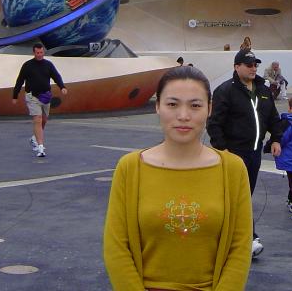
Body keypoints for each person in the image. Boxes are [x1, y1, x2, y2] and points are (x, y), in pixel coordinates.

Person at [103, 66, 252, 291]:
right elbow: (116, 248)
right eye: (172, 104)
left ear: (209, 109)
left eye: (195, 105)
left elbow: (239, 248)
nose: (183, 116)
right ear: (157, 106)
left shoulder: (232, 169)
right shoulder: (130, 168)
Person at [207, 48, 282, 259]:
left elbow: (273, 117)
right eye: (248, 65)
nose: (253, 68)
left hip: (254, 152)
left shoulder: (263, 89)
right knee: (238, 196)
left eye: (255, 65)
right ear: (236, 66)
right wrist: (223, 149)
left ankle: (233, 237)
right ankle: (248, 238)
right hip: (234, 152)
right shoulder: (225, 91)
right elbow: (214, 124)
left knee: (244, 196)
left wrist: (276, 138)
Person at [11, 42, 67, 158]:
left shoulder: (48, 64)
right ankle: (40, 148)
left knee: (44, 120)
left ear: (43, 52)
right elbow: (20, 81)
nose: (40, 55)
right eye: (37, 53)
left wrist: (62, 87)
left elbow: (56, 76)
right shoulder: (27, 65)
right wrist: (15, 95)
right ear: (34, 52)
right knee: (38, 119)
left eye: (41, 52)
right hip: (32, 97)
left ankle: (34, 138)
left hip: (45, 96)